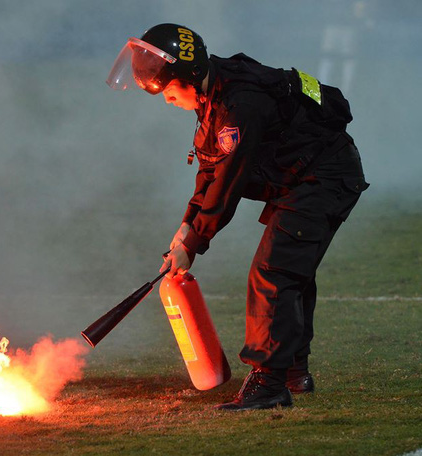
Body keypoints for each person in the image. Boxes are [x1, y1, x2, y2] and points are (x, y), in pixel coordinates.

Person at [107, 23, 369, 410]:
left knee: (274, 272)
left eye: (167, 90)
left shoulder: (239, 104)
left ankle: (268, 383)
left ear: (189, 77)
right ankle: (293, 372)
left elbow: (229, 184)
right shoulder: (213, 94)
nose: (165, 100)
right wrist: (185, 229)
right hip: (298, 180)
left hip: (323, 178)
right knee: (292, 270)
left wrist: (193, 244)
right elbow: (210, 170)